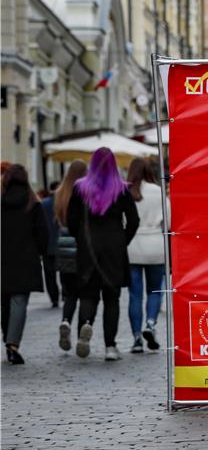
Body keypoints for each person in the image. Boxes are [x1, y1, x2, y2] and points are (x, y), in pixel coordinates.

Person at [67, 148, 139, 361]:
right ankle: (110, 346)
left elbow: (71, 220)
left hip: (88, 246)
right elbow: (133, 221)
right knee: (112, 298)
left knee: (88, 294)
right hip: (114, 248)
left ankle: (85, 326)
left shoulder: (80, 188)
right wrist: (122, 240)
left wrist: (80, 237)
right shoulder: (122, 189)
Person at [1, 164, 49, 364]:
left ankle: (7, 337)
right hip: (25, 259)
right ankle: (13, 344)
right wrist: (39, 252)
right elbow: (42, 234)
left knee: (4, 301)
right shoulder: (33, 204)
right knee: (19, 302)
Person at [127, 158, 170, 353]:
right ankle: (150, 323)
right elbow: (168, 223)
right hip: (155, 246)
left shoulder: (125, 192)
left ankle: (136, 338)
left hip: (132, 246)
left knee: (134, 294)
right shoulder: (158, 192)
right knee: (154, 290)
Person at [54, 160, 88, 351]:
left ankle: (66, 320)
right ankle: (81, 335)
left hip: (64, 246)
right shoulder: (86, 193)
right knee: (85, 294)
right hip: (82, 245)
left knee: (69, 294)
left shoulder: (60, 193)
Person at [40, 182, 61, 307]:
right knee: (65, 269)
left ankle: (54, 297)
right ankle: (65, 293)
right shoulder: (64, 201)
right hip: (63, 242)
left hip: (47, 243)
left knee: (49, 274)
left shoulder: (43, 203)